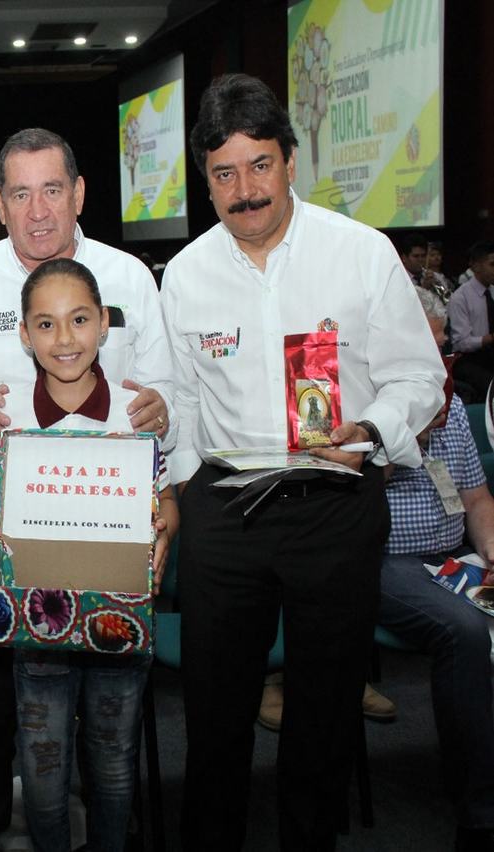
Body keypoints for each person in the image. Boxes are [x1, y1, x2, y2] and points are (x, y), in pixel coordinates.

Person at [160, 74, 445, 850]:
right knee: (215, 717)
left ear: (290, 161)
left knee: (322, 715)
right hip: (226, 512)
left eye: (258, 166)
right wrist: (185, 485)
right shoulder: (185, 275)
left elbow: (419, 377)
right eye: (223, 174)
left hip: (334, 506)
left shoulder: (359, 254)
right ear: (206, 181)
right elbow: (180, 399)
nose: (243, 190)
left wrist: (370, 427)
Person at [0, 127, 175, 851]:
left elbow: (166, 399)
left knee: (109, 722)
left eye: (53, 189)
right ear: (0, 204)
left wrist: (165, 424)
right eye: (20, 193)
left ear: (79, 193)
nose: (38, 210)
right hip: (0, 535)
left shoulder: (128, 278)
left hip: (113, 547)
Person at [0, 258, 177, 852]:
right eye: (46, 324)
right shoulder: (7, 418)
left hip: (119, 616)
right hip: (37, 620)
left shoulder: (134, 413)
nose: (64, 340)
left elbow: (163, 500)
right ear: (24, 333)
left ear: (104, 326)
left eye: (80, 320)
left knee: (114, 766)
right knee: (41, 768)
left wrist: (162, 529)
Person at [379, 297, 494, 852]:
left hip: (452, 560)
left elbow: (475, 497)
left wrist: (492, 553)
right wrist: (398, 445)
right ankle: (479, 810)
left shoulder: (451, 413)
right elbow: (336, 506)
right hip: (383, 563)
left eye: (443, 345)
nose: (439, 360)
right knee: (464, 632)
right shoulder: (365, 409)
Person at [447, 241, 494, 400]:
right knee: (490, 384)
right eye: (492, 264)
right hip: (469, 358)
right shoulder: (460, 297)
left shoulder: (493, 290)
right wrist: (489, 338)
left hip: (490, 353)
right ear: (476, 266)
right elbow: (460, 343)